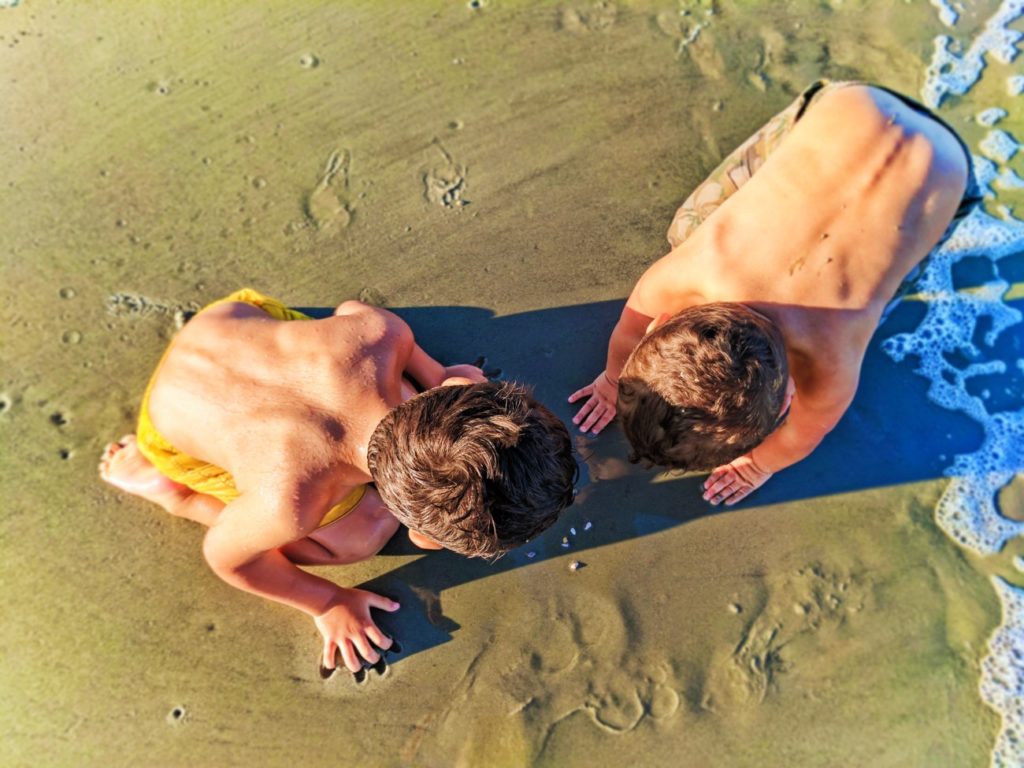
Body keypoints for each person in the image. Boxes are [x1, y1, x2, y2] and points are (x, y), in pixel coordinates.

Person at [100, 289, 576, 674]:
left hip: (228, 322)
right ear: (422, 536)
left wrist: (437, 373)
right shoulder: (290, 499)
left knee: (400, 393)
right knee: (359, 536)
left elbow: (353, 311)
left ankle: (421, 400)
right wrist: (326, 601)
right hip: (172, 428)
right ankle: (174, 494)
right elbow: (227, 558)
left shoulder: (379, 334)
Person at [569, 80, 980, 506]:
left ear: (788, 400)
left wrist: (758, 463)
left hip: (947, 167)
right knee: (686, 231)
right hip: (851, 107)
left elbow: (806, 433)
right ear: (665, 320)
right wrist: (614, 379)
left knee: (889, 283)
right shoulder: (694, 267)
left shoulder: (831, 361)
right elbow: (630, 327)